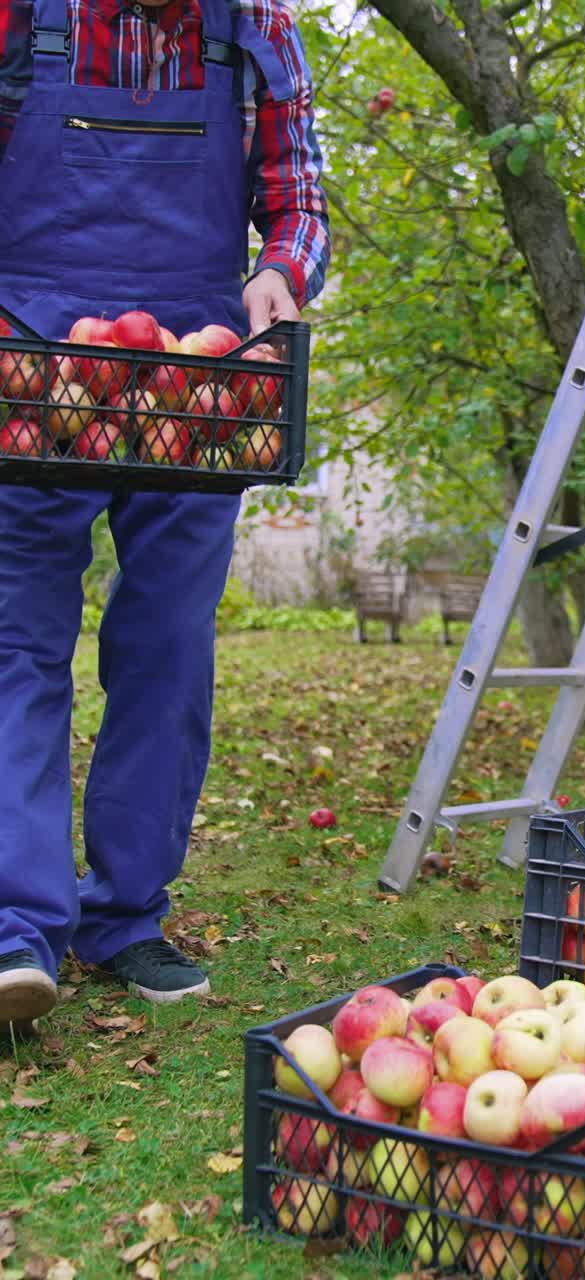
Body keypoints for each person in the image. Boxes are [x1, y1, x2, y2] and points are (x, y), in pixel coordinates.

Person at [0, 0, 329, 1021]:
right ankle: (18, 928)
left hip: (201, 382)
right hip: (29, 364)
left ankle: (127, 917)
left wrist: (279, 273)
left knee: (167, 645)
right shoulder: (23, 16)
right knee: (17, 639)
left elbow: (300, 199)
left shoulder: (256, 30)